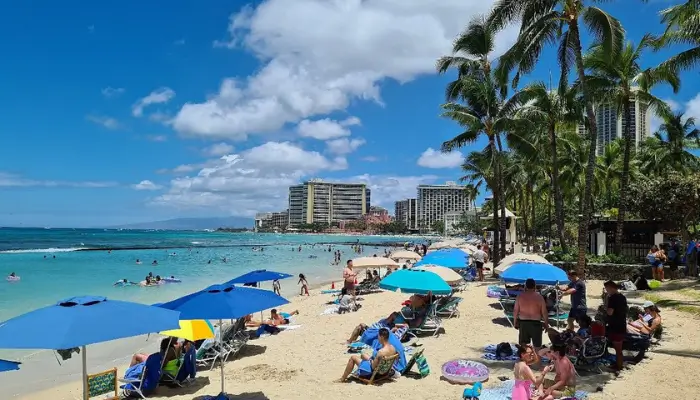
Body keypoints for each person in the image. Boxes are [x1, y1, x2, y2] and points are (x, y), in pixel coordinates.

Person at [513, 278, 549, 349]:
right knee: (537, 346)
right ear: (535, 286)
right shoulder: (539, 297)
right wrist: (546, 324)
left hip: (523, 323)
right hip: (536, 324)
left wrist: (515, 322)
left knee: (524, 346)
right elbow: (544, 312)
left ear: (525, 286)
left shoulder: (520, 296)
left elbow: (515, 311)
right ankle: (537, 359)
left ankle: (525, 359)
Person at [604, 280, 628, 371]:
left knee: (618, 349)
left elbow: (610, 312)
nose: (606, 291)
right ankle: (618, 364)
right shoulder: (622, 297)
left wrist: (605, 307)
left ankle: (619, 366)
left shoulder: (613, 298)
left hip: (615, 326)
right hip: (621, 324)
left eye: (607, 289)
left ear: (611, 288)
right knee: (618, 349)